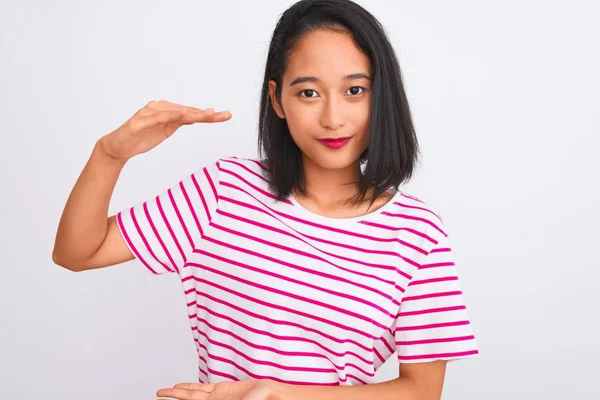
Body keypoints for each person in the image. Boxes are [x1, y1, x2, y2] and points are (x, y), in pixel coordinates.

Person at [52, 0, 479, 398]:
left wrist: (279, 393)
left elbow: (421, 391)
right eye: (308, 92)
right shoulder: (224, 192)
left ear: (380, 95)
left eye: (355, 91)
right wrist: (110, 155)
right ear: (277, 99)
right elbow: (76, 252)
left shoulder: (417, 233)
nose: (333, 118)